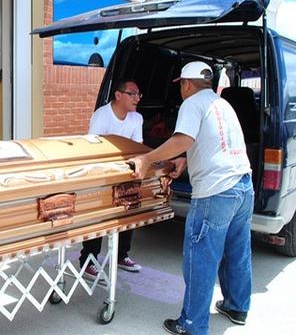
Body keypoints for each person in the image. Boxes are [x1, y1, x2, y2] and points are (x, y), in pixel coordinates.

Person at [128, 61, 253, 335]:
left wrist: (147, 158)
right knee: (237, 251)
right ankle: (236, 306)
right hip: (243, 186)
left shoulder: (191, 104)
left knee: (201, 258)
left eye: (181, 85)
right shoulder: (222, 104)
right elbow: (215, 141)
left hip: (216, 191)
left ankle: (192, 324)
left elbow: (182, 138)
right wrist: (185, 159)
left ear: (186, 84)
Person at [80, 80, 144, 279]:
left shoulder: (137, 118)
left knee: (129, 209)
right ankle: (88, 261)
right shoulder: (102, 115)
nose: (137, 99)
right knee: (99, 217)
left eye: (138, 94)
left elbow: (138, 147)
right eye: (132, 94)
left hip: (126, 172)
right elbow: (93, 148)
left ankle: (121, 255)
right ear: (118, 95)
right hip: (102, 173)